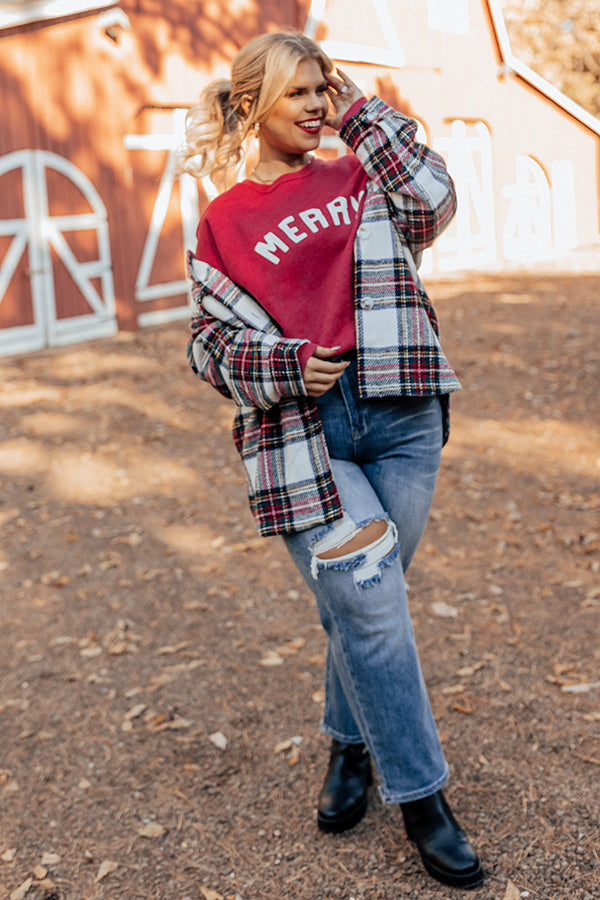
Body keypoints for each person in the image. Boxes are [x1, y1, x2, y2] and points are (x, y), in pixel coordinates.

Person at [182, 30, 484, 890]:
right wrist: (280, 368)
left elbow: (435, 202)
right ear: (252, 107)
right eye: (300, 94)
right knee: (371, 600)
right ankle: (422, 796)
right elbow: (207, 347)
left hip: (402, 415)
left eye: (325, 90)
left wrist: (362, 113)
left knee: (359, 605)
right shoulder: (223, 219)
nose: (317, 106)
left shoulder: (361, 172)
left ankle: (348, 744)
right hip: (301, 436)